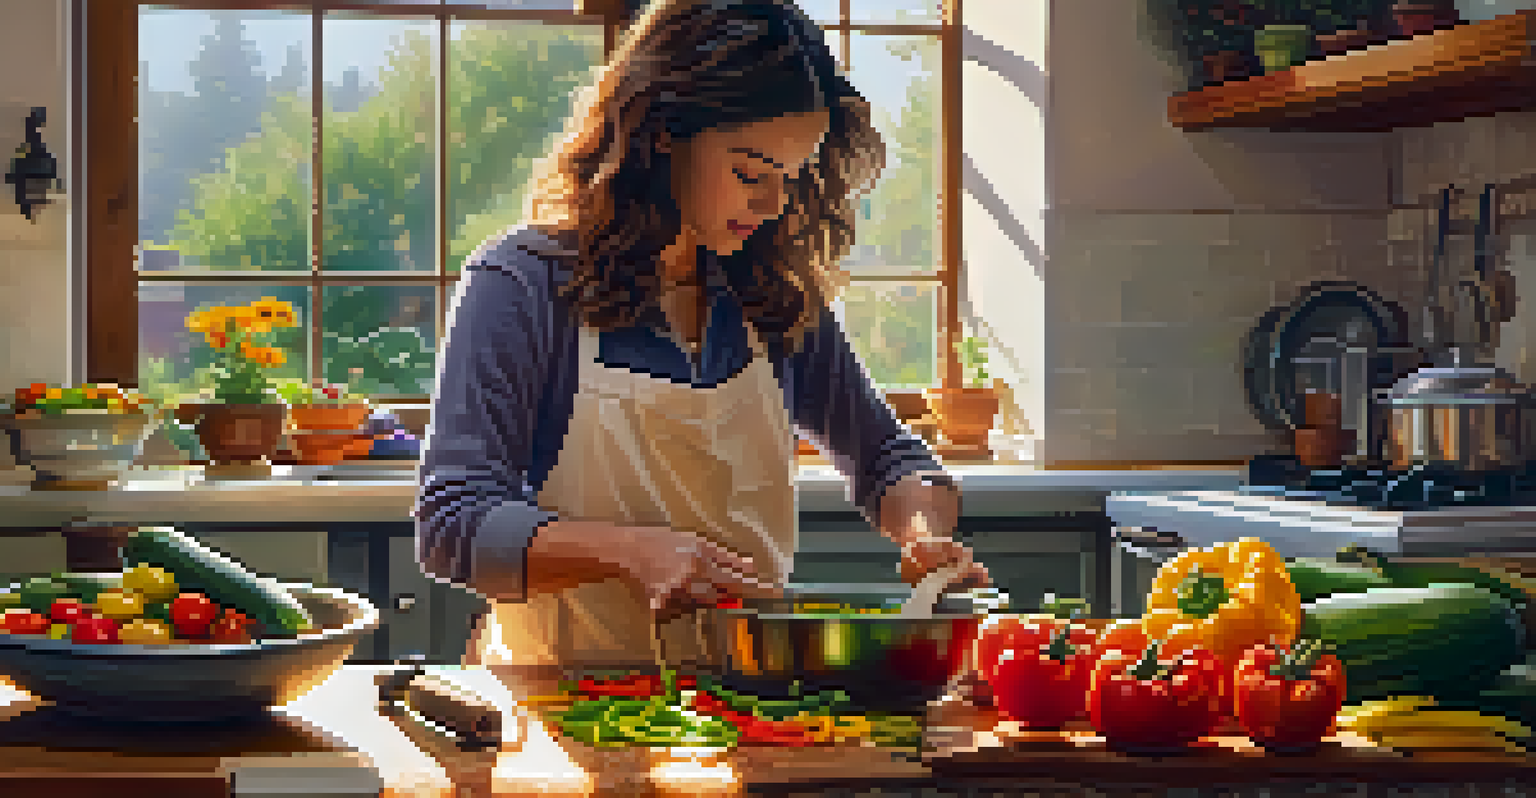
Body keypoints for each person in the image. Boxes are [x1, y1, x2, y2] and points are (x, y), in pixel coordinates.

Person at [413, 0, 991, 681]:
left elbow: (889, 458)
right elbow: (452, 522)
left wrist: (923, 532)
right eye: (751, 173)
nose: (773, 204)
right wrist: (630, 553)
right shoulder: (523, 283)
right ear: (663, 131)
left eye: (790, 177)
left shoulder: (771, 293)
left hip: (751, 698)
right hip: (564, 706)